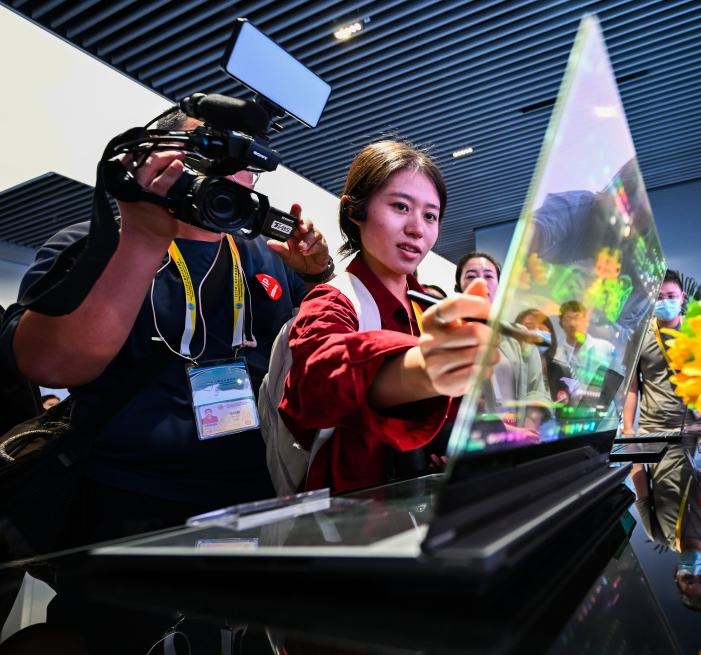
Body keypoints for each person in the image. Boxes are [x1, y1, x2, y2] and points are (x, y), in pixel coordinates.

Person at [0, 108, 333, 548]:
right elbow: (48, 365)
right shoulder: (90, 242)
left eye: (245, 166)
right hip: (125, 497)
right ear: (155, 159)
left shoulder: (271, 255)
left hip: (254, 491)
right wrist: (143, 238)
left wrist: (316, 275)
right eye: (210, 155)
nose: (231, 176)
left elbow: (316, 353)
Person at [279, 140, 494, 494]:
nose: (417, 228)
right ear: (355, 211)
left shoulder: (429, 307)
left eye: (430, 216)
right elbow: (315, 382)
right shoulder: (333, 300)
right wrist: (421, 367)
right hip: (352, 508)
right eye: (400, 206)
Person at [454, 252, 549, 430]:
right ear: (459, 287)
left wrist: (526, 432)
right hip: (475, 438)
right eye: (471, 276)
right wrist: (505, 431)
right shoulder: (449, 338)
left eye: (489, 276)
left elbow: (536, 389)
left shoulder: (519, 335)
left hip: (523, 438)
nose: (481, 282)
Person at [623, 270, 701, 436]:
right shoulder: (639, 334)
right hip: (654, 428)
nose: (665, 302)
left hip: (698, 427)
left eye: (671, 296)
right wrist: (628, 429)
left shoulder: (697, 329)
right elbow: (631, 387)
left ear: (682, 298)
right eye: (659, 297)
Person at [552, 300, 616, 403]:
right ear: (561, 324)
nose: (572, 323)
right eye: (567, 319)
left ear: (586, 322)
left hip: (603, 410)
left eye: (577, 318)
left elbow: (618, 388)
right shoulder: (556, 356)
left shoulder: (605, 348)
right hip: (571, 410)